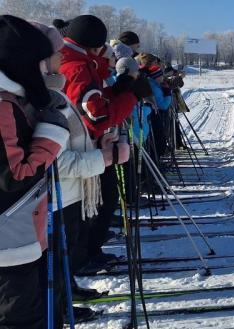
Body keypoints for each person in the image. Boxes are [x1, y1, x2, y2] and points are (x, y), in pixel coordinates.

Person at [29, 20, 111, 321]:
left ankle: (65, 298)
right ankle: (60, 307)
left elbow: (81, 129)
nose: (62, 58)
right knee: (55, 256)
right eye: (56, 53)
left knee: (67, 252)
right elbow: (56, 161)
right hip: (58, 195)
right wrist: (103, 156)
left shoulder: (55, 89)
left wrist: (100, 140)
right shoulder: (44, 96)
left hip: (73, 189)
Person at [0, 15, 70, 328]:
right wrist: (51, 136)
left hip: (22, 233)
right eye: (43, 63)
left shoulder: (16, 99)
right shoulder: (3, 106)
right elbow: (12, 177)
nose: (48, 69)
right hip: (8, 242)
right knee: (21, 319)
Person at [55, 15, 138, 270]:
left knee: (97, 203)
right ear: (92, 46)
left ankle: (84, 257)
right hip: (81, 150)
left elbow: (98, 99)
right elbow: (98, 116)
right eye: (103, 47)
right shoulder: (76, 67)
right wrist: (130, 95)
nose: (108, 53)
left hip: (87, 148)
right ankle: (83, 257)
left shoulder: (83, 63)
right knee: (93, 206)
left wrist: (120, 89)